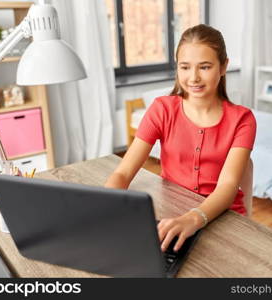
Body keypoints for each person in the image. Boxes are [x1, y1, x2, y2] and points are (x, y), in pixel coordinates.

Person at [105, 24, 256, 253]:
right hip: (173, 210)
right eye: (185, 67)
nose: (193, 77)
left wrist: (194, 219)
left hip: (224, 218)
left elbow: (227, 186)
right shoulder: (161, 109)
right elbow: (123, 172)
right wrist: (107, 205)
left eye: (205, 67)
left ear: (223, 66)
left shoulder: (242, 119)